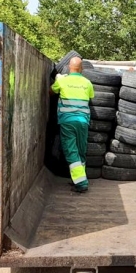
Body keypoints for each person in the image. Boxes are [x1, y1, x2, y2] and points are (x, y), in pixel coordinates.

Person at [51, 57, 94, 193]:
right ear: (81, 68)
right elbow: (90, 97)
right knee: (81, 150)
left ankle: (81, 183)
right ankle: (79, 178)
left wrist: (58, 80)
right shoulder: (87, 83)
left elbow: (51, 92)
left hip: (67, 121)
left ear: (69, 67)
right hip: (83, 122)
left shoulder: (63, 81)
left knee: (71, 151)